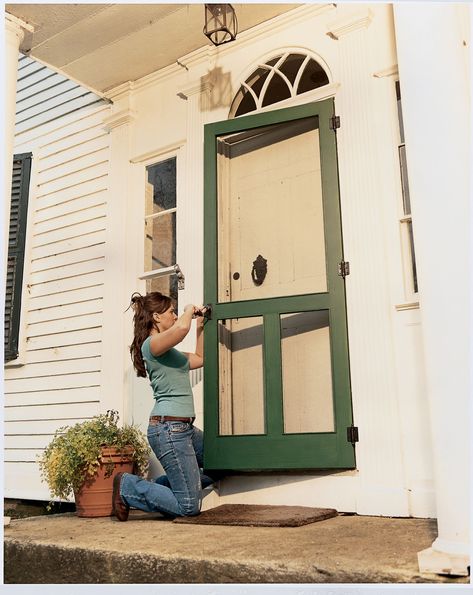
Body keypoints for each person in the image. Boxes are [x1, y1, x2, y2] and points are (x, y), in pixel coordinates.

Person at [112, 291, 217, 521]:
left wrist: (200, 324)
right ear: (157, 317)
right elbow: (180, 330)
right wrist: (190, 309)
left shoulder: (168, 353)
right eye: (172, 311)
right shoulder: (151, 346)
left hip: (184, 429)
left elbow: (200, 358)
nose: (176, 315)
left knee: (220, 463)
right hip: (168, 430)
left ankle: (164, 486)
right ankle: (128, 487)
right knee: (189, 506)